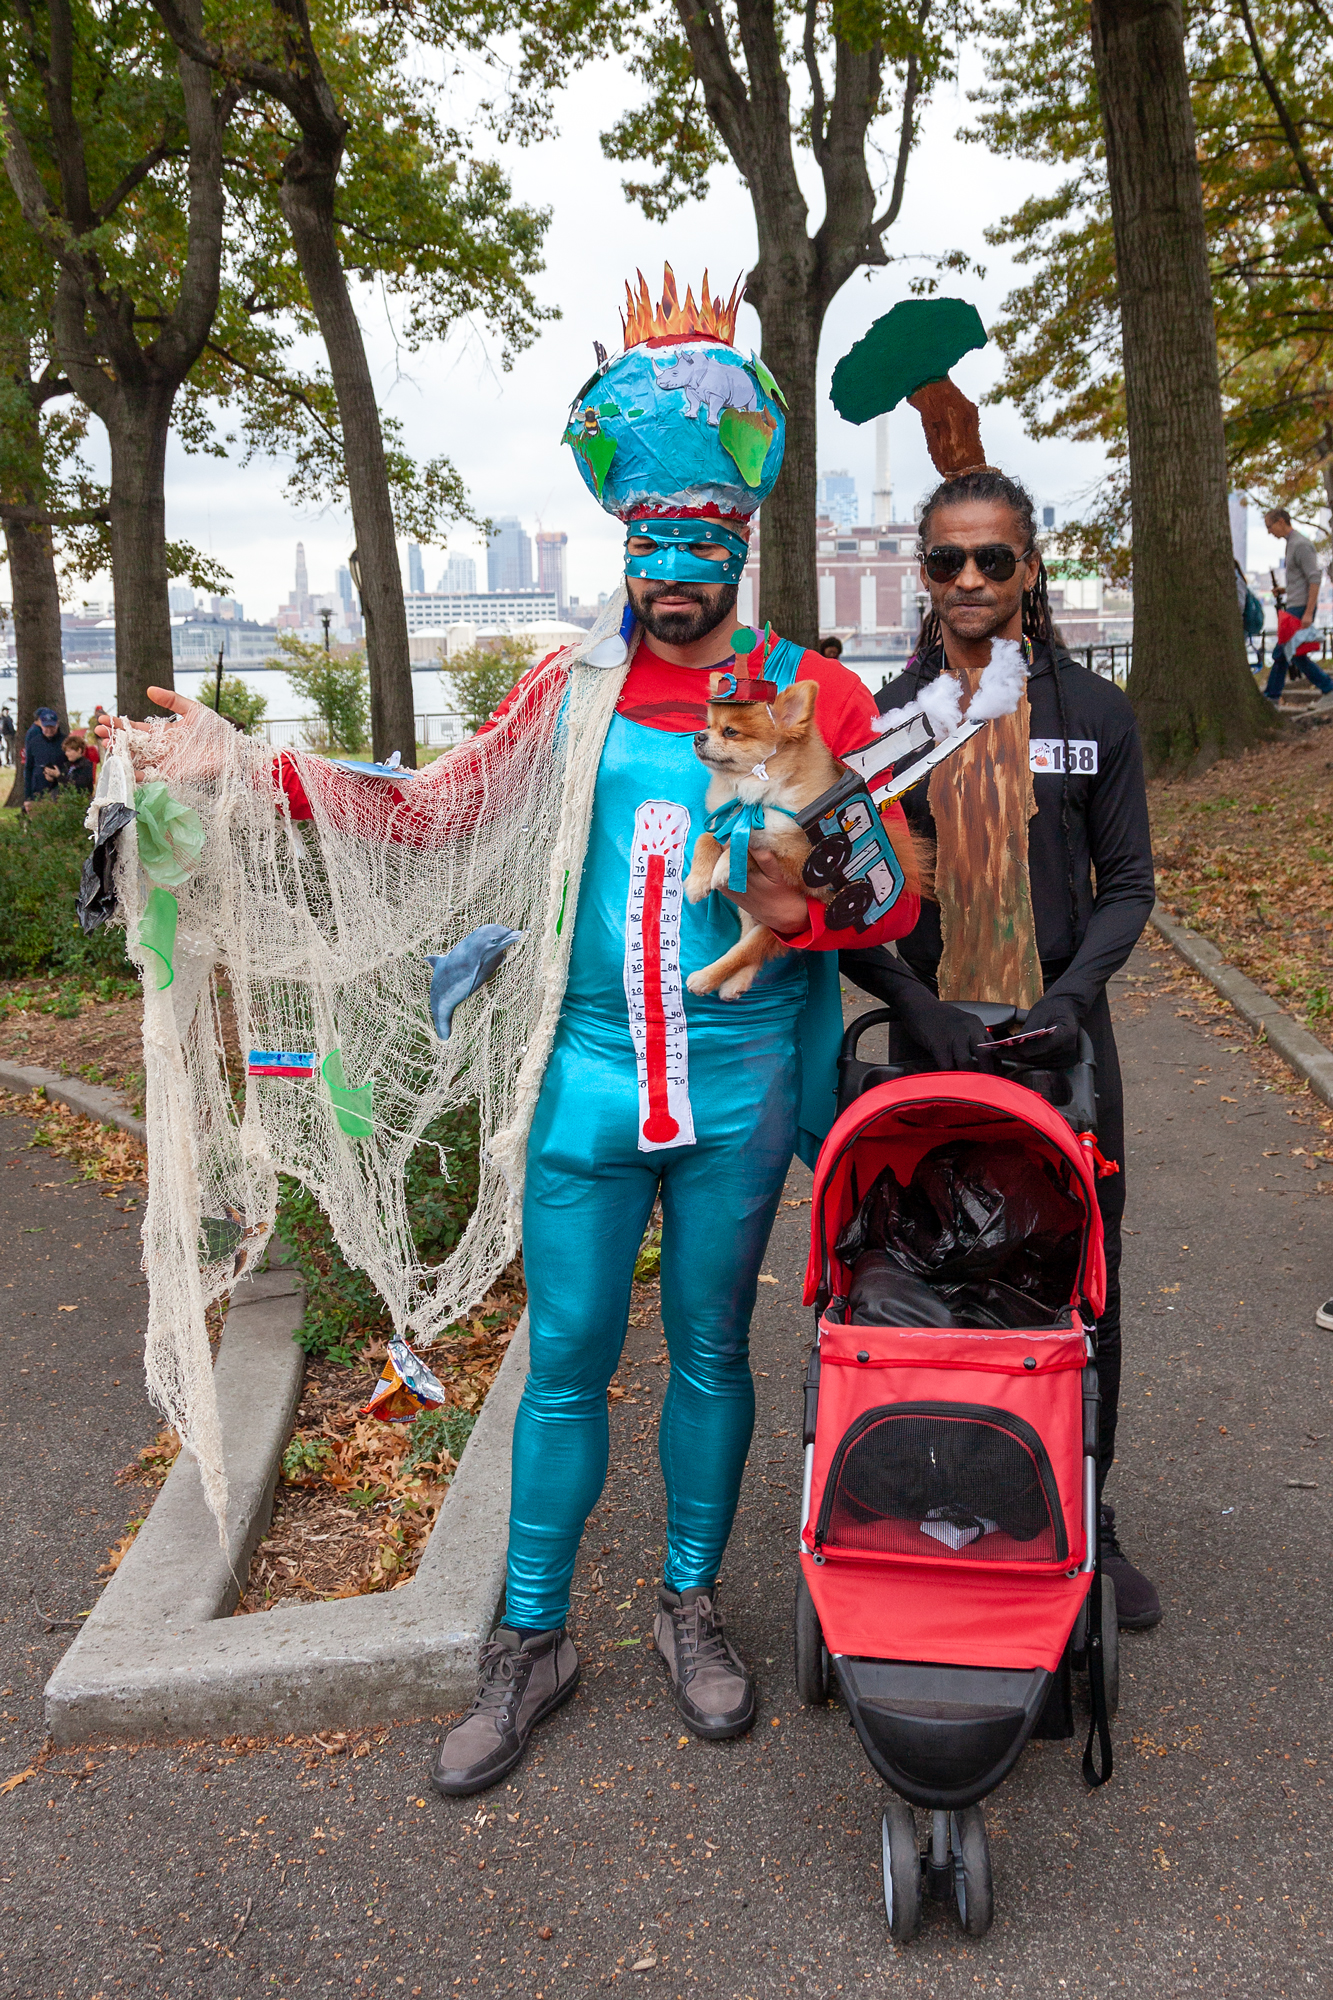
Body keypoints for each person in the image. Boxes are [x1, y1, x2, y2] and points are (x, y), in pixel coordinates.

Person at [102, 270, 924, 1795]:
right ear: (623, 539)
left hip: (741, 1078)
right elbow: (428, 814)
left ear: (740, 540)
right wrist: (249, 765)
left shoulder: (812, 692)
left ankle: (689, 1608)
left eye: (703, 540)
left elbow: (885, 912)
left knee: (709, 1355)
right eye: (651, 540)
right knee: (561, 1361)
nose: (674, 570)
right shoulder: (572, 688)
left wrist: (835, 857)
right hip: (587, 1073)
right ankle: (530, 1638)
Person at [840, 466, 1162, 1632]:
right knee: (930, 1268)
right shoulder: (880, 726)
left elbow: (1127, 884)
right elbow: (842, 902)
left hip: (1063, 1042)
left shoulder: (1094, 716)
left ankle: (1090, 1507)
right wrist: (902, 995)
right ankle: (946, 1493)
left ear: (1030, 569)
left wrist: (1075, 993)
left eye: (992, 559)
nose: (969, 579)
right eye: (945, 561)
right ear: (922, 575)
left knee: (1084, 1284)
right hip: (933, 1047)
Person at [1263, 509, 1332, 701]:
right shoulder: (1292, 544)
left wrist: (1308, 612)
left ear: (1281, 521)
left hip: (1300, 609)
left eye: (1270, 526)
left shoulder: (1300, 544)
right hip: (1296, 605)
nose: (1269, 531)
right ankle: (1327, 688)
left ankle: (1272, 695)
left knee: (1283, 652)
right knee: (1292, 654)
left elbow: (1314, 578)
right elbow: (1303, 579)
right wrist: (1285, 590)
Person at [22, 705, 67, 809]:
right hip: (38, 789)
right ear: (41, 725)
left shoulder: (65, 741)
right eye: (46, 727)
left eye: (52, 727)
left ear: (57, 724)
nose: (49, 730)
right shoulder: (34, 742)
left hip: (59, 789)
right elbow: (28, 768)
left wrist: (58, 775)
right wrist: (27, 797)